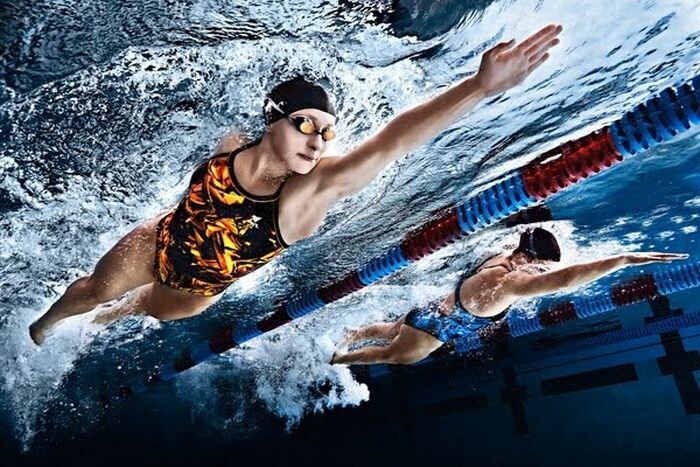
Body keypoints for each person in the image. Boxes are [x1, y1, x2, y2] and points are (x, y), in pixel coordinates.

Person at [29, 25, 564, 346]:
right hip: (160, 238)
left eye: (327, 132)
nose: (317, 140)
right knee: (93, 289)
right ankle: (43, 328)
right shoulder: (232, 145)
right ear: (272, 121)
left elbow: (389, 144)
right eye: (305, 124)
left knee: (139, 305)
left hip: (193, 290)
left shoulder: (306, 195)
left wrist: (477, 88)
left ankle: (112, 314)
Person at [331, 228, 688, 365]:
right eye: (539, 267)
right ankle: (338, 359)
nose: (539, 274)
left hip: (435, 308)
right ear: (526, 259)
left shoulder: (500, 255)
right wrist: (622, 260)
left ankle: (350, 335)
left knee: (391, 328)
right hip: (437, 330)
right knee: (390, 356)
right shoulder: (510, 283)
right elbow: (566, 280)